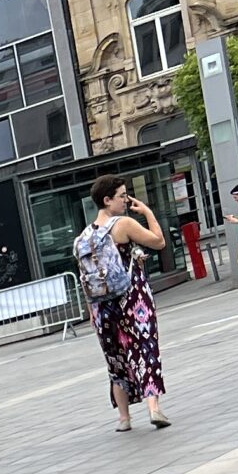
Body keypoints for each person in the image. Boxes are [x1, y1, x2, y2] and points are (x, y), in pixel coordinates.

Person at [75, 176, 169, 431]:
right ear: (107, 200)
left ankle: (124, 419)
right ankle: (154, 409)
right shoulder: (124, 224)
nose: (127, 201)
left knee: (115, 360)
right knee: (145, 350)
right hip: (132, 297)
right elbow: (159, 241)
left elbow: (86, 275)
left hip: (101, 306)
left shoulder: (84, 236)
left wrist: (92, 312)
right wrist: (148, 212)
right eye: (122, 196)